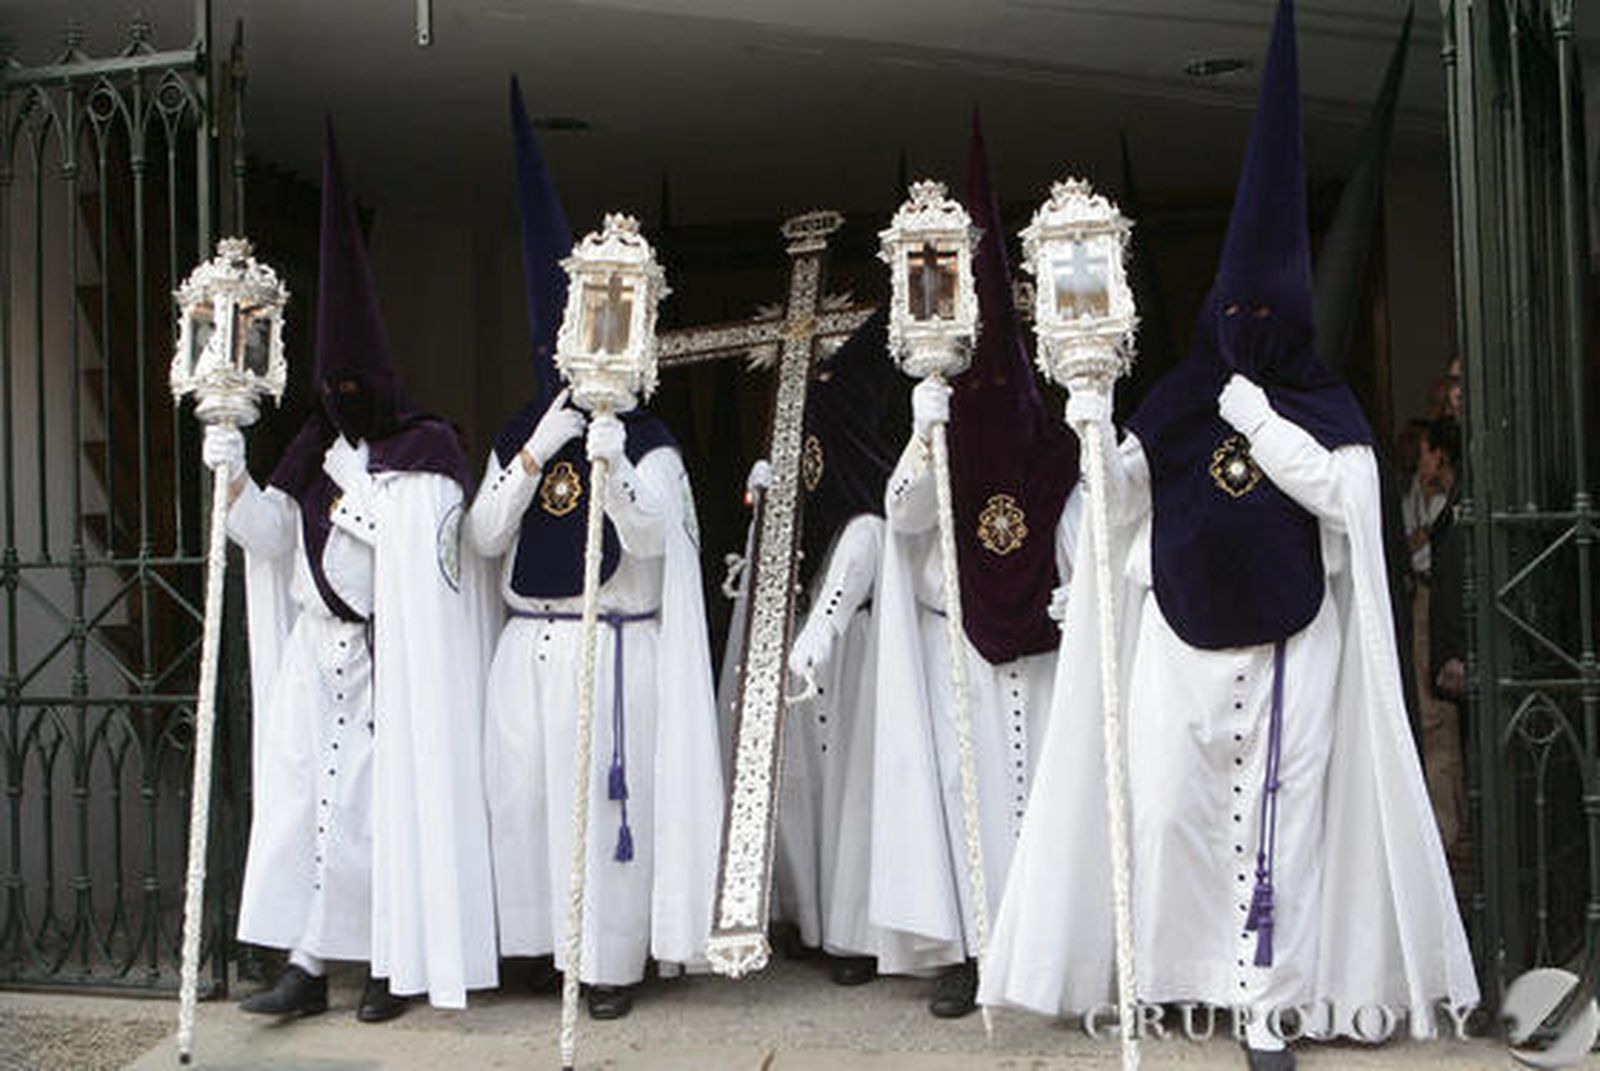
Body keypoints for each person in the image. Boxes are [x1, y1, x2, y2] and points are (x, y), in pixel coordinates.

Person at [979, 4, 1478, 1068]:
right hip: (1180, 648)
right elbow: (1123, 501)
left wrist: (1260, 414)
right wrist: (1095, 434)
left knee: (1279, 838)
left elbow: (1345, 496)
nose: (1245, 336)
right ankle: (1175, 981)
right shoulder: (1172, 401)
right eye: (1232, 319)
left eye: (1264, 318)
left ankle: (1266, 1004)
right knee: (1168, 813)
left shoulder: (1320, 404)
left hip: (1293, 647)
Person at [204, 122, 499, 1022]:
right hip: (313, 658)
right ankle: (303, 962)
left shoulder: (425, 452)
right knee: (307, 815)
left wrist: (359, 485)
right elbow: (265, 534)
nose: (339, 405)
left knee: (377, 817)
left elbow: (425, 551)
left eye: (350, 389)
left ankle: (384, 963)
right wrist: (231, 467)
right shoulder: (310, 454)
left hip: (384, 664)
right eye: (327, 393)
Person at [465, 79, 722, 1021]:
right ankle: (545, 947)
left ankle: (609, 960)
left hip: (612, 646)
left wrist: (609, 459)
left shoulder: (649, 442)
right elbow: (487, 537)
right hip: (527, 649)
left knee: (603, 814)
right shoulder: (516, 437)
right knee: (528, 807)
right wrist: (540, 446)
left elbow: (655, 544)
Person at [871, 116, 1083, 1019]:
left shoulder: (1052, 446)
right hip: (957, 641)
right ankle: (974, 949)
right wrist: (927, 427)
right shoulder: (941, 429)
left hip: (1040, 652)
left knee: (1043, 793)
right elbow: (901, 513)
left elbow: (1080, 528)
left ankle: (1051, 948)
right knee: (971, 796)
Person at [759, 310, 898, 986]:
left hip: (858, 657)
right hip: (807, 654)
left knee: (854, 791)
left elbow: (860, 547)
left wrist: (819, 635)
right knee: (806, 789)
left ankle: (856, 934)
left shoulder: (865, 492)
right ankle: (809, 919)